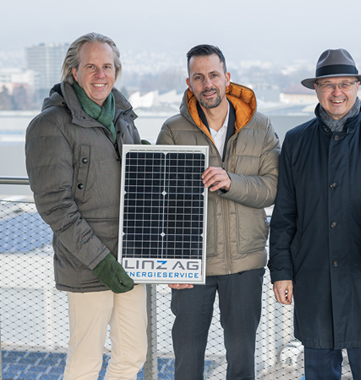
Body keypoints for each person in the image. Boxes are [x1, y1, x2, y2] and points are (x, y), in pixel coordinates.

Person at [268, 48, 361, 380]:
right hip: (314, 277)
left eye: (345, 84)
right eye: (328, 85)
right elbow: (285, 212)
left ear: (358, 86)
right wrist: (281, 271)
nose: (337, 92)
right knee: (318, 372)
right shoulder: (296, 141)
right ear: (316, 89)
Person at [25, 32, 147, 379]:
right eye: (90, 66)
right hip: (87, 263)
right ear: (73, 72)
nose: (100, 74)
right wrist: (101, 261)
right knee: (86, 361)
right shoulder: (50, 125)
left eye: (106, 66)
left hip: (130, 258)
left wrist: (149, 158)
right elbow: (56, 207)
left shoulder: (123, 118)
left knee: (133, 354)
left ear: (116, 71)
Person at [156, 44, 280, 380]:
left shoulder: (261, 127)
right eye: (199, 77)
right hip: (191, 266)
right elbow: (159, 202)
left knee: (241, 362)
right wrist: (169, 264)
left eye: (213, 75)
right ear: (189, 83)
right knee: (187, 360)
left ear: (227, 78)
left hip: (244, 263)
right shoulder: (172, 130)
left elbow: (272, 188)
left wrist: (231, 182)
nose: (207, 83)